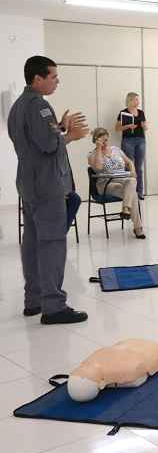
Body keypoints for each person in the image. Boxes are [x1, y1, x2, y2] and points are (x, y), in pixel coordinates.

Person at [8, 55, 90, 324]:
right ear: (38, 78)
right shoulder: (39, 106)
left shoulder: (18, 106)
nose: (57, 81)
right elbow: (49, 145)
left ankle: (33, 299)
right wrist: (70, 136)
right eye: (53, 76)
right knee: (52, 242)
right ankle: (53, 306)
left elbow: (35, 140)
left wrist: (61, 127)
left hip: (28, 182)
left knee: (32, 242)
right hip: (46, 184)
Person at [88, 127, 145, 239]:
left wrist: (132, 170)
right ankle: (138, 228)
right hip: (106, 184)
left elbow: (129, 162)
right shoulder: (92, 155)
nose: (105, 143)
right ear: (96, 141)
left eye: (106, 140)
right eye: (102, 141)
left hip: (123, 180)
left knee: (132, 180)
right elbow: (98, 167)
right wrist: (99, 148)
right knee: (132, 194)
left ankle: (126, 209)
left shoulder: (116, 149)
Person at [116, 92, 148, 199]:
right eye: (135, 100)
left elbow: (145, 126)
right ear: (129, 100)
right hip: (127, 140)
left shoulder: (141, 112)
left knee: (139, 167)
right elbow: (117, 128)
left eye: (138, 100)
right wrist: (128, 126)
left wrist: (145, 125)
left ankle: (140, 192)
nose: (137, 102)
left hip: (140, 140)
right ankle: (129, 192)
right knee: (129, 166)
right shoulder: (123, 112)